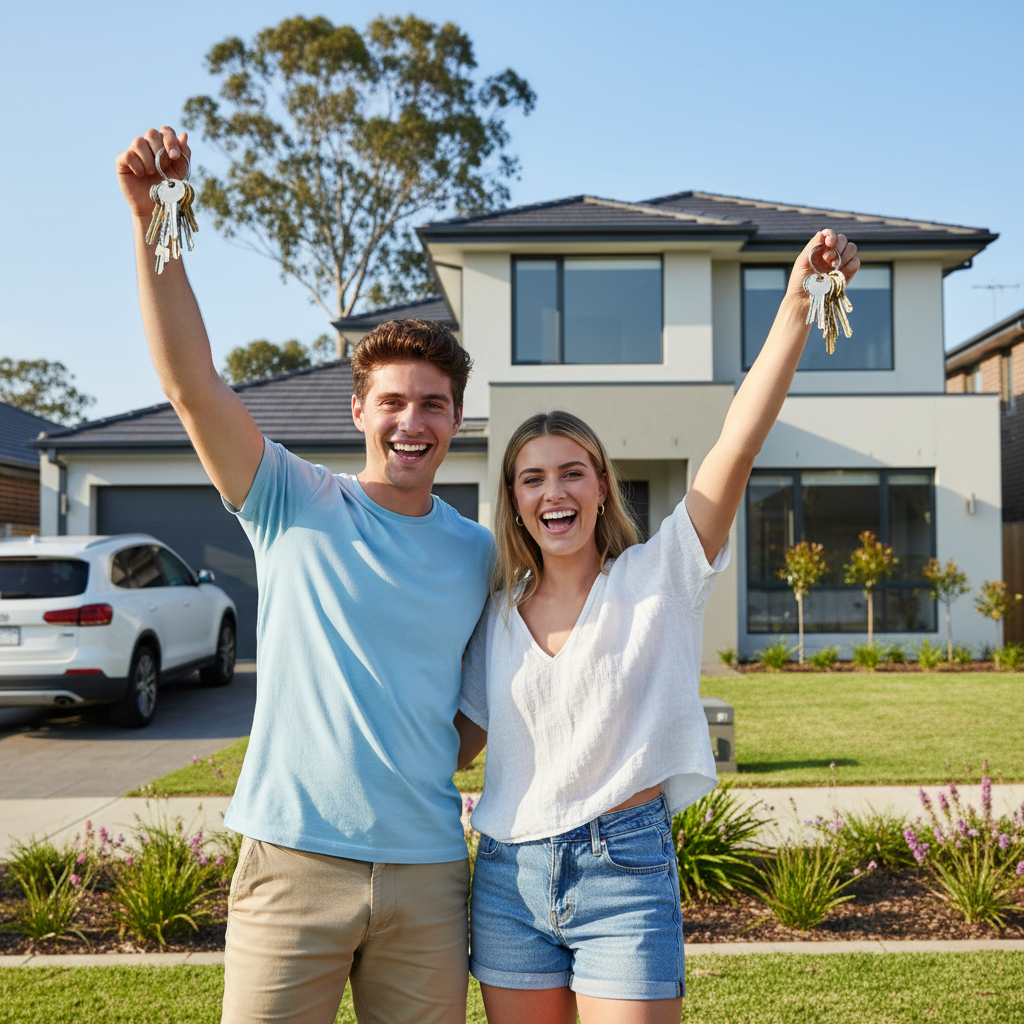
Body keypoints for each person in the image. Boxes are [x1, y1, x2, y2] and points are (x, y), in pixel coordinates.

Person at [116, 127, 494, 1024]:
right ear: (358, 408)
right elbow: (190, 382)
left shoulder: (480, 551)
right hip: (292, 866)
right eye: (393, 402)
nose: (413, 421)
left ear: (457, 419)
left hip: (430, 875)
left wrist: (432, 756)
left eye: (433, 405)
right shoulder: (289, 496)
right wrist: (152, 227)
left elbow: (490, 693)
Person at [455, 230, 859, 1024]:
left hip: (623, 873)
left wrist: (793, 306)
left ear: (602, 486)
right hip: (506, 879)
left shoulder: (659, 576)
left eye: (572, 471)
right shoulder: (496, 614)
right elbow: (454, 744)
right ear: (515, 501)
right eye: (532, 478)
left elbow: (737, 440)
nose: (554, 491)